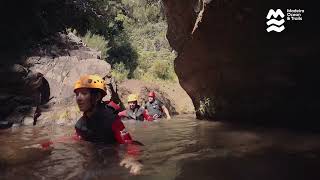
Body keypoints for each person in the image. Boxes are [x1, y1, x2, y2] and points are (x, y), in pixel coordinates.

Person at [73, 74, 142, 174]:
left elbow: (129, 143)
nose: (78, 98)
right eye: (77, 94)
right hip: (94, 157)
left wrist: (133, 158)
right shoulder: (80, 124)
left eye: (84, 93)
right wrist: (51, 143)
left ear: (96, 97)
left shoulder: (111, 121)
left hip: (112, 157)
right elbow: (76, 138)